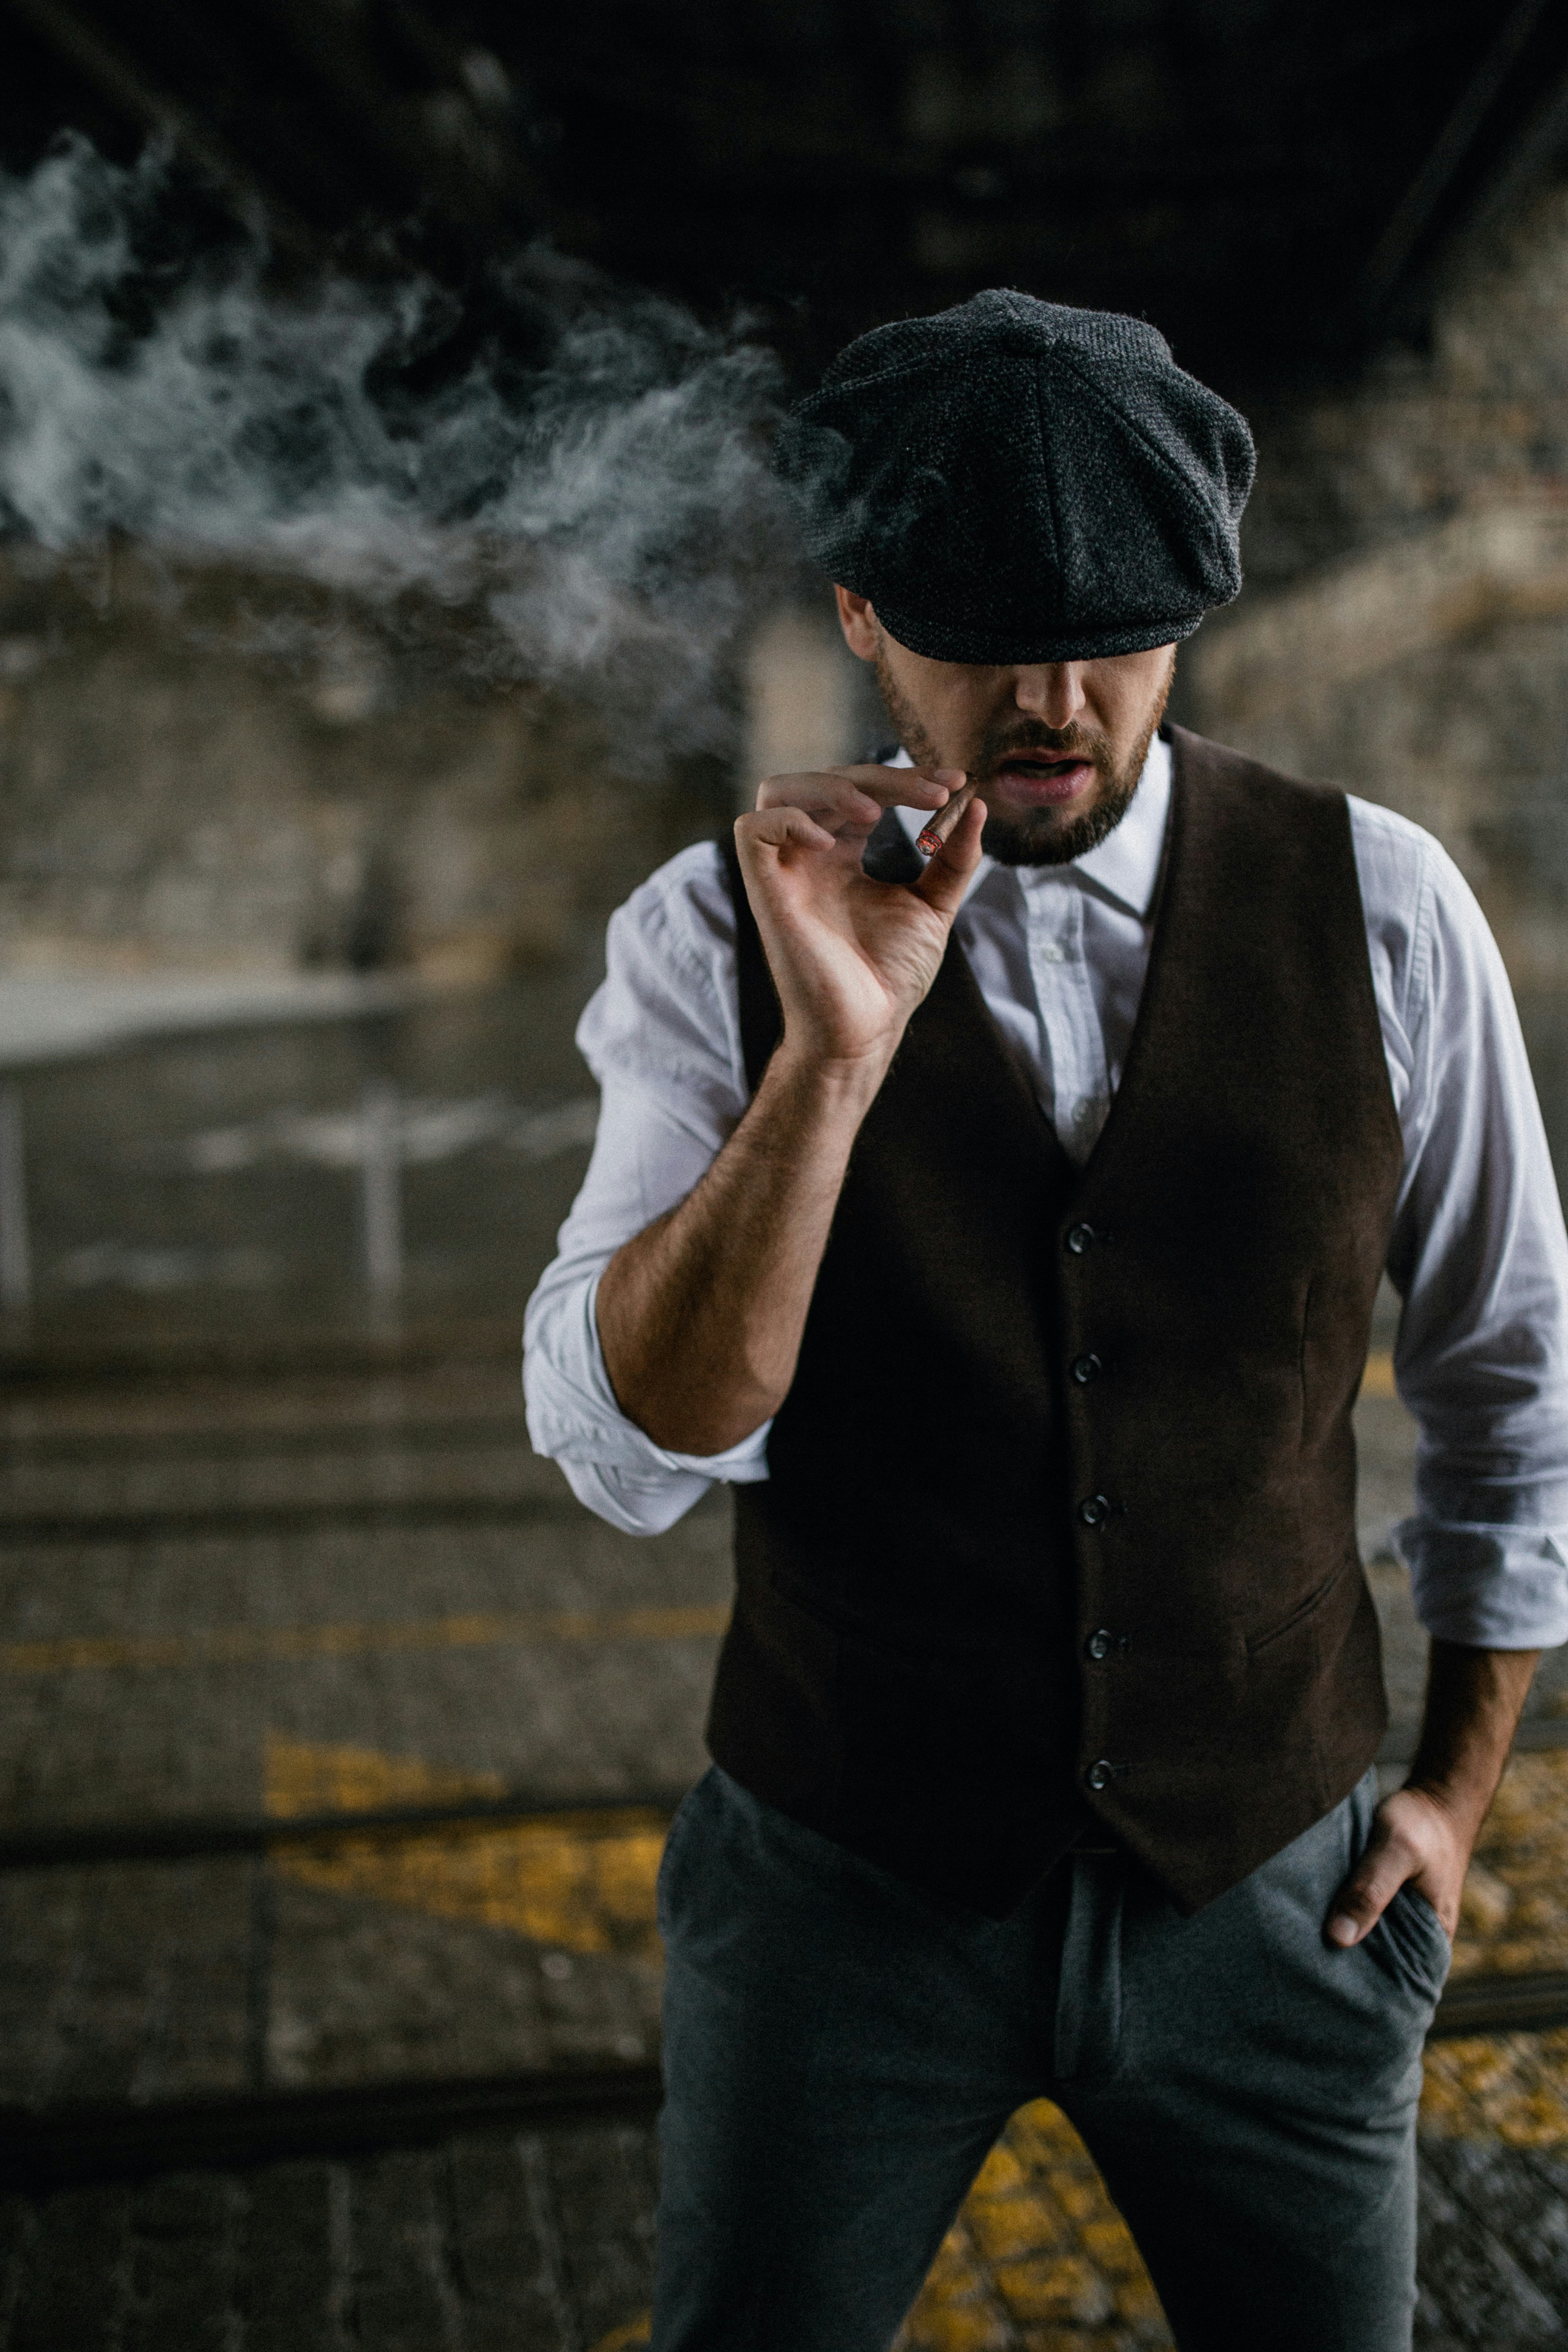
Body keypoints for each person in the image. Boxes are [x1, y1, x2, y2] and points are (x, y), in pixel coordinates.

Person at [524, 291, 1568, 2352]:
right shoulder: (700, 941)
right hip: (843, 1901)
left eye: (1117, 631)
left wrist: (1451, 1796)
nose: (1057, 696)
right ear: (863, 619)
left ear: (1193, 613)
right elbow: (637, 1455)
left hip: (1274, 1889)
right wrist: (829, 1059)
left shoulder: (1384, 907)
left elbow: (1514, 1378)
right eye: (983, 635)